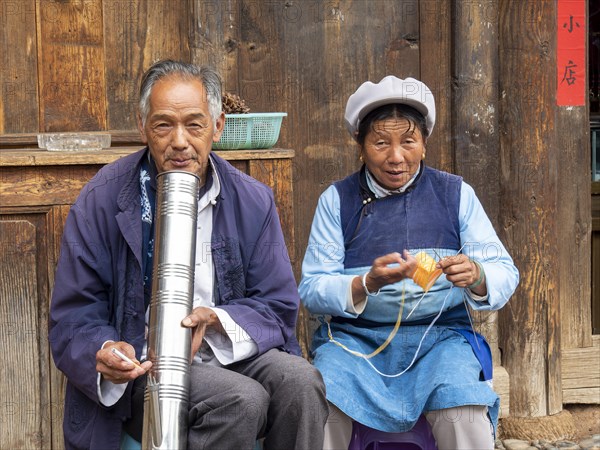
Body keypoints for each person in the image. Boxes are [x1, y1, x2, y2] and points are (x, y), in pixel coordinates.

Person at [49, 59, 327, 450]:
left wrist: (218, 320)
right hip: (146, 364)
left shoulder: (252, 200)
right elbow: (74, 314)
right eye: (164, 124)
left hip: (229, 349)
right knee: (240, 400)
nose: (179, 141)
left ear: (218, 126)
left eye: (194, 124)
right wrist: (107, 350)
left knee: (302, 382)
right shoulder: (102, 199)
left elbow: (278, 305)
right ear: (142, 126)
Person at [299, 75, 519, 450]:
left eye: (408, 141)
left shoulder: (456, 194)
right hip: (355, 343)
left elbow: (504, 271)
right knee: (322, 401)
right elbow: (312, 288)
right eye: (381, 142)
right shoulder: (336, 200)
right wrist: (365, 282)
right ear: (361, 145)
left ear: (424, 145)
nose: (396, 156)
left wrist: (477, 274)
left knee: (460, 406)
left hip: (441, 340)